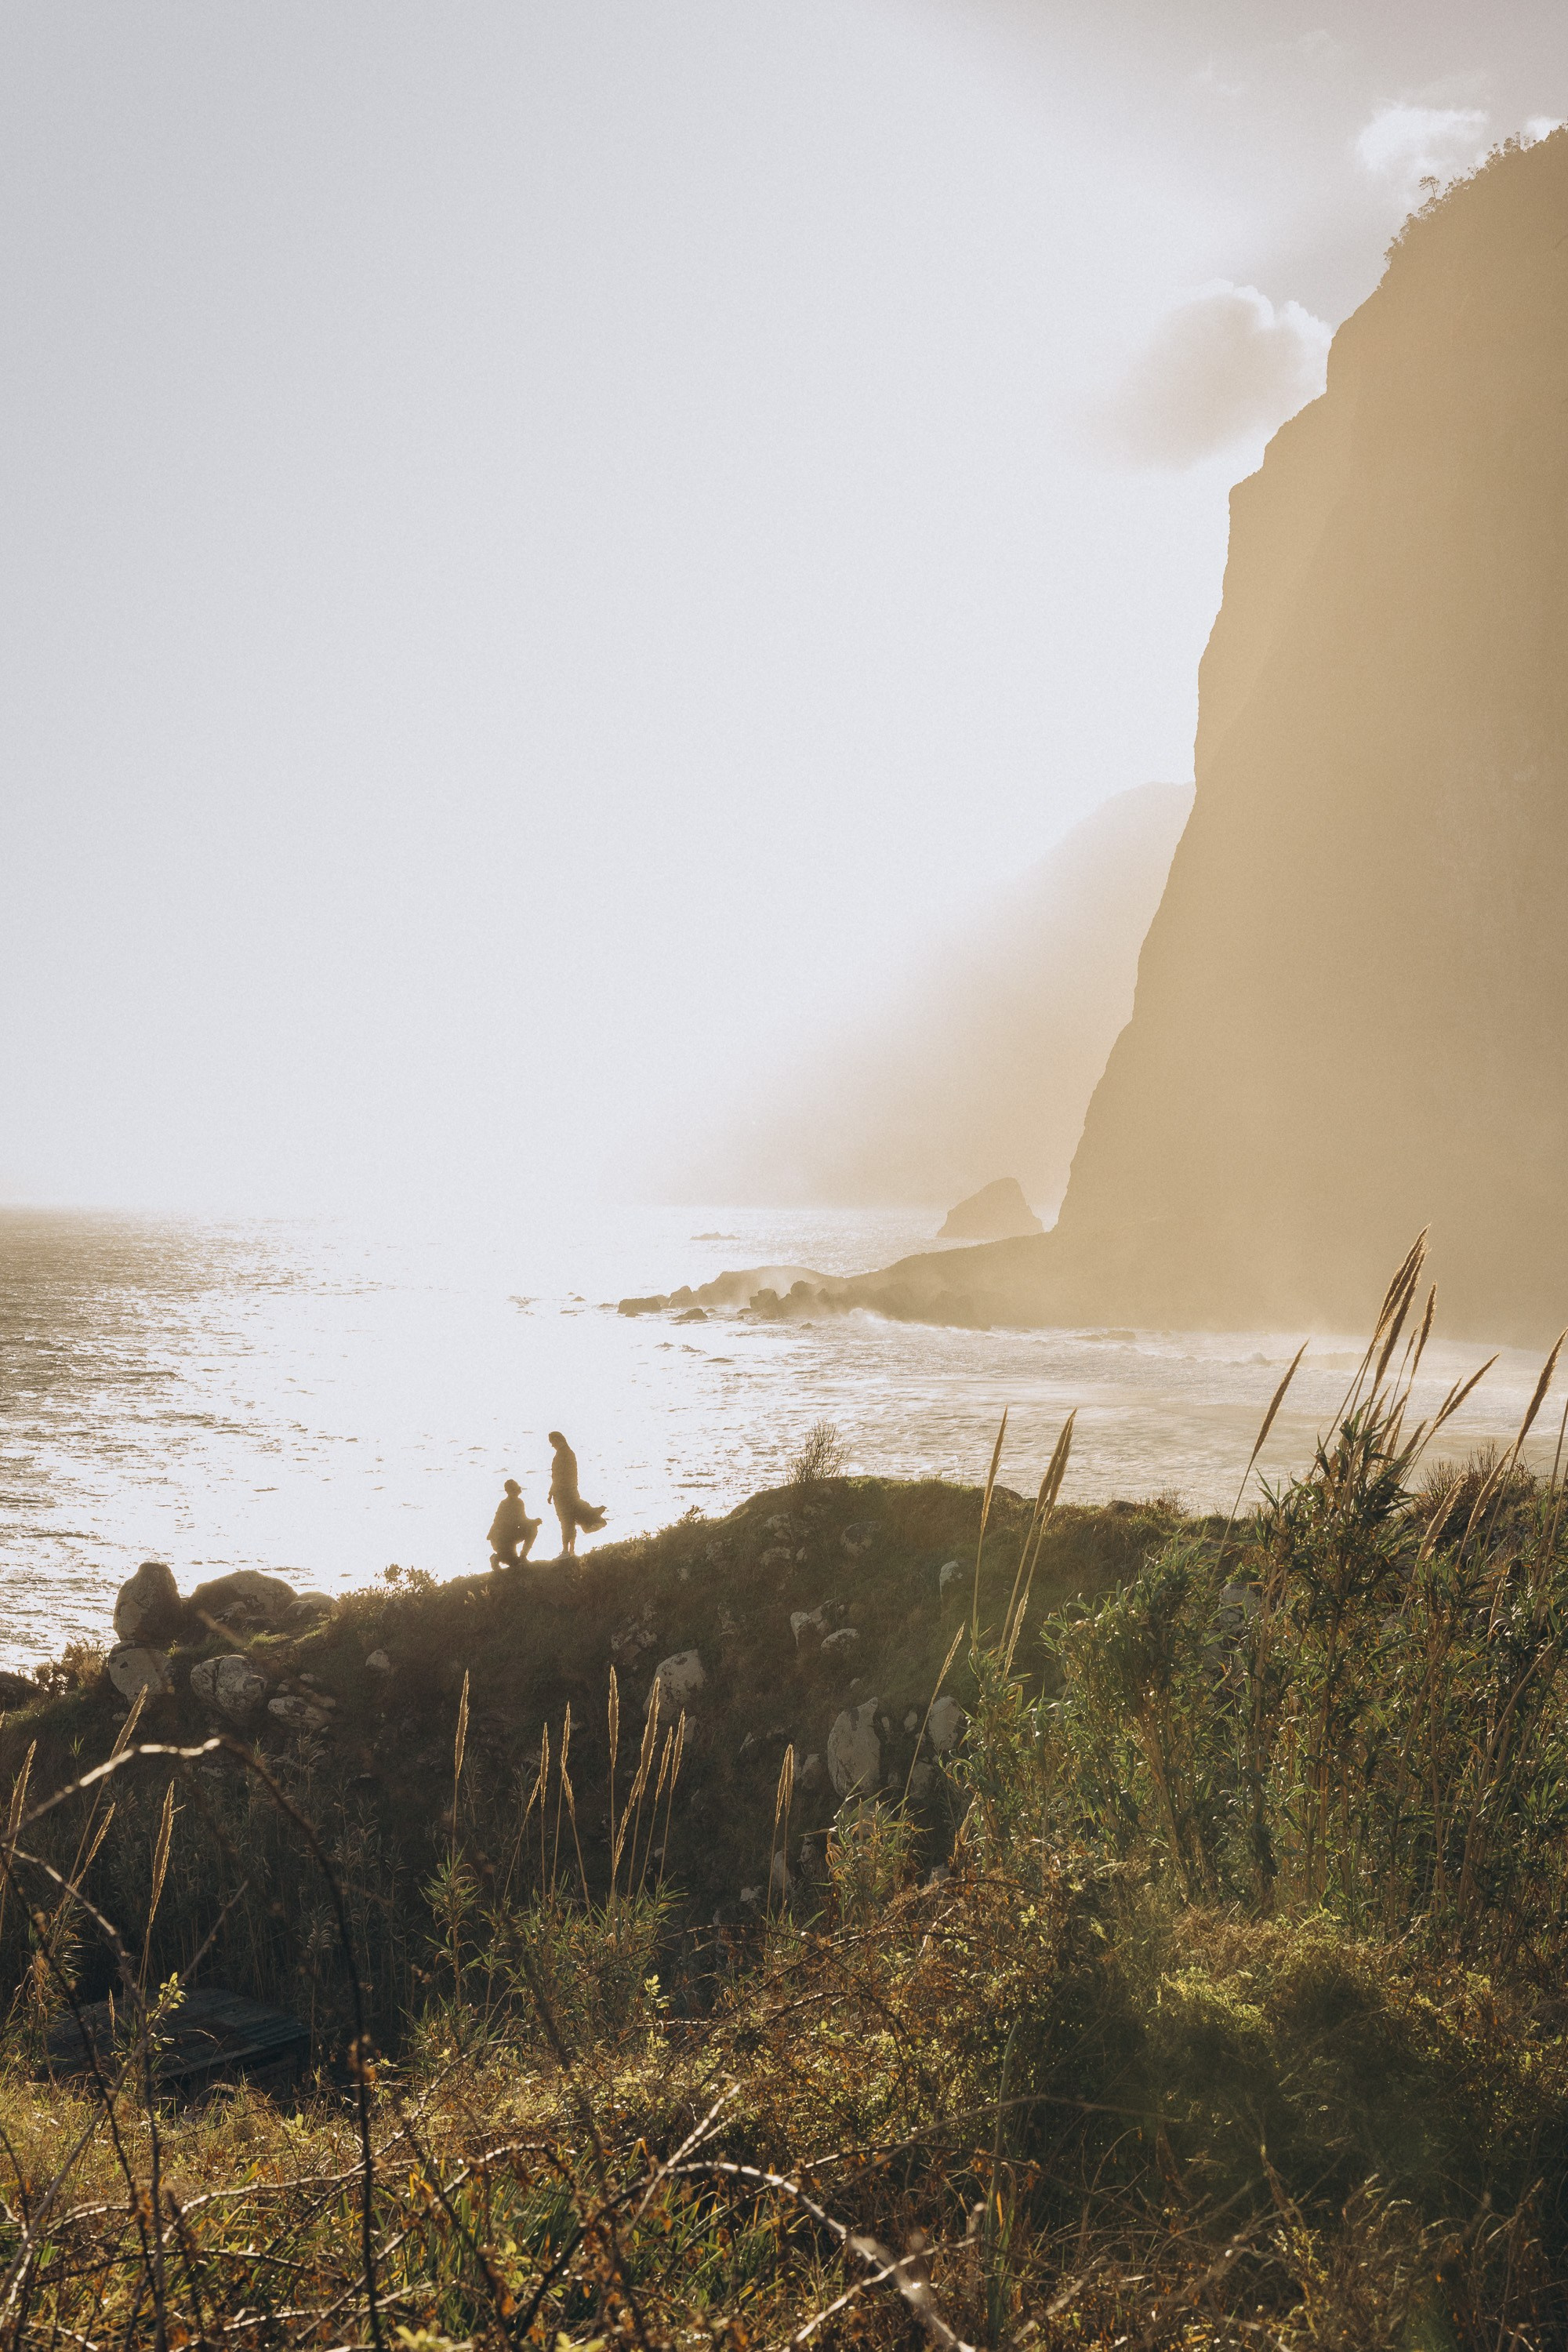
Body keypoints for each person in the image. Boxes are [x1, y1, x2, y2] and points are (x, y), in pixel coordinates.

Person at [547, 1430, 608, 1558]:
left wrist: (555, 1492)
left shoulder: (565, 1454)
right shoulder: (564, 1453)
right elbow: (558, 1477)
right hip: (566, 1491)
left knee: (566, 1521)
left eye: (553, 1442)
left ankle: (566, 1552)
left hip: (564, 1493)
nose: (552, 1445)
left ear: (559, 1440)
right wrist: (551, 1493)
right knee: (571, 1519)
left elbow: (563, 1477)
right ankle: (571, 1551)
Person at [488, 1479, 541, 1569]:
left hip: (504, 1538)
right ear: (509, 1491)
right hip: (503, 1540)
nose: (518, 1489)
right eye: (515, 1488)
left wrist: (532, 1522)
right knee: (532, 1529)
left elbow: (521, 1521)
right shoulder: (516, 1502)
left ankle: (516, 1557)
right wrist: (534, 1522)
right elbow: (522, 1521)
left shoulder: (508, 1502)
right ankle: (500, 1557)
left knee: (514, 1563)